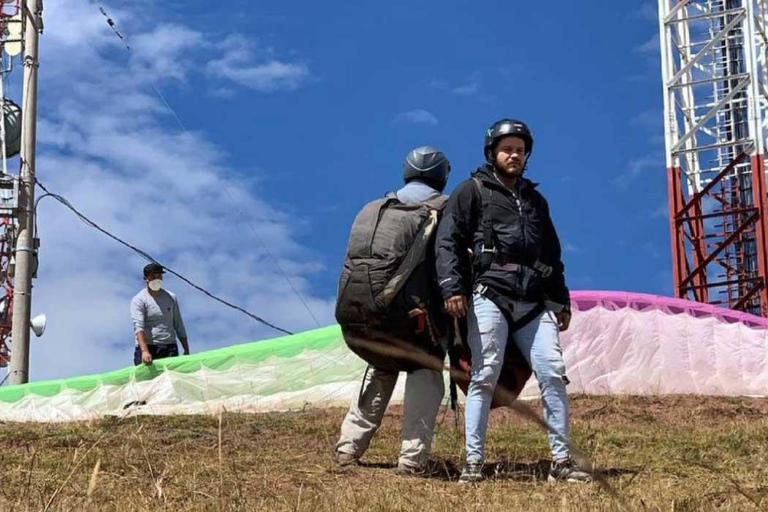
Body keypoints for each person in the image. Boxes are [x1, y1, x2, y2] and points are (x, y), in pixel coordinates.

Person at [435, 119, 591, 483]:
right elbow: (449, 241)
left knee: (553, 374)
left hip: (534, 300)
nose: (514, 155)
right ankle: (473, 466)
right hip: (489, 293)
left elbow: (552, 254)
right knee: (484, 375)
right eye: (507, 149)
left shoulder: (536, 201)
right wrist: (452, 288)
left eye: (520, 151)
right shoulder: (471, 191)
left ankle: (561, 463)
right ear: (492, 152)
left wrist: (561, 300)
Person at [334, 146, 451, 475]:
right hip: (409, 319)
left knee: (382, 367)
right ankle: (412, 460)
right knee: (424, 371)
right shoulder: (441, 209)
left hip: (357, 314)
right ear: (443, 176)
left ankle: (348, 447)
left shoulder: (373, 208)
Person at [130, 262, 190, 366]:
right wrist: (144, 351)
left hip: (169, 347)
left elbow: (178, 324)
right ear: (146, 278)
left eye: (159, 276)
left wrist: (186, 349)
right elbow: (138, 327)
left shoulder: (171, 297)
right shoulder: (139, 300)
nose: (156, 279)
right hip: (148, 347)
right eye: (153, 276)